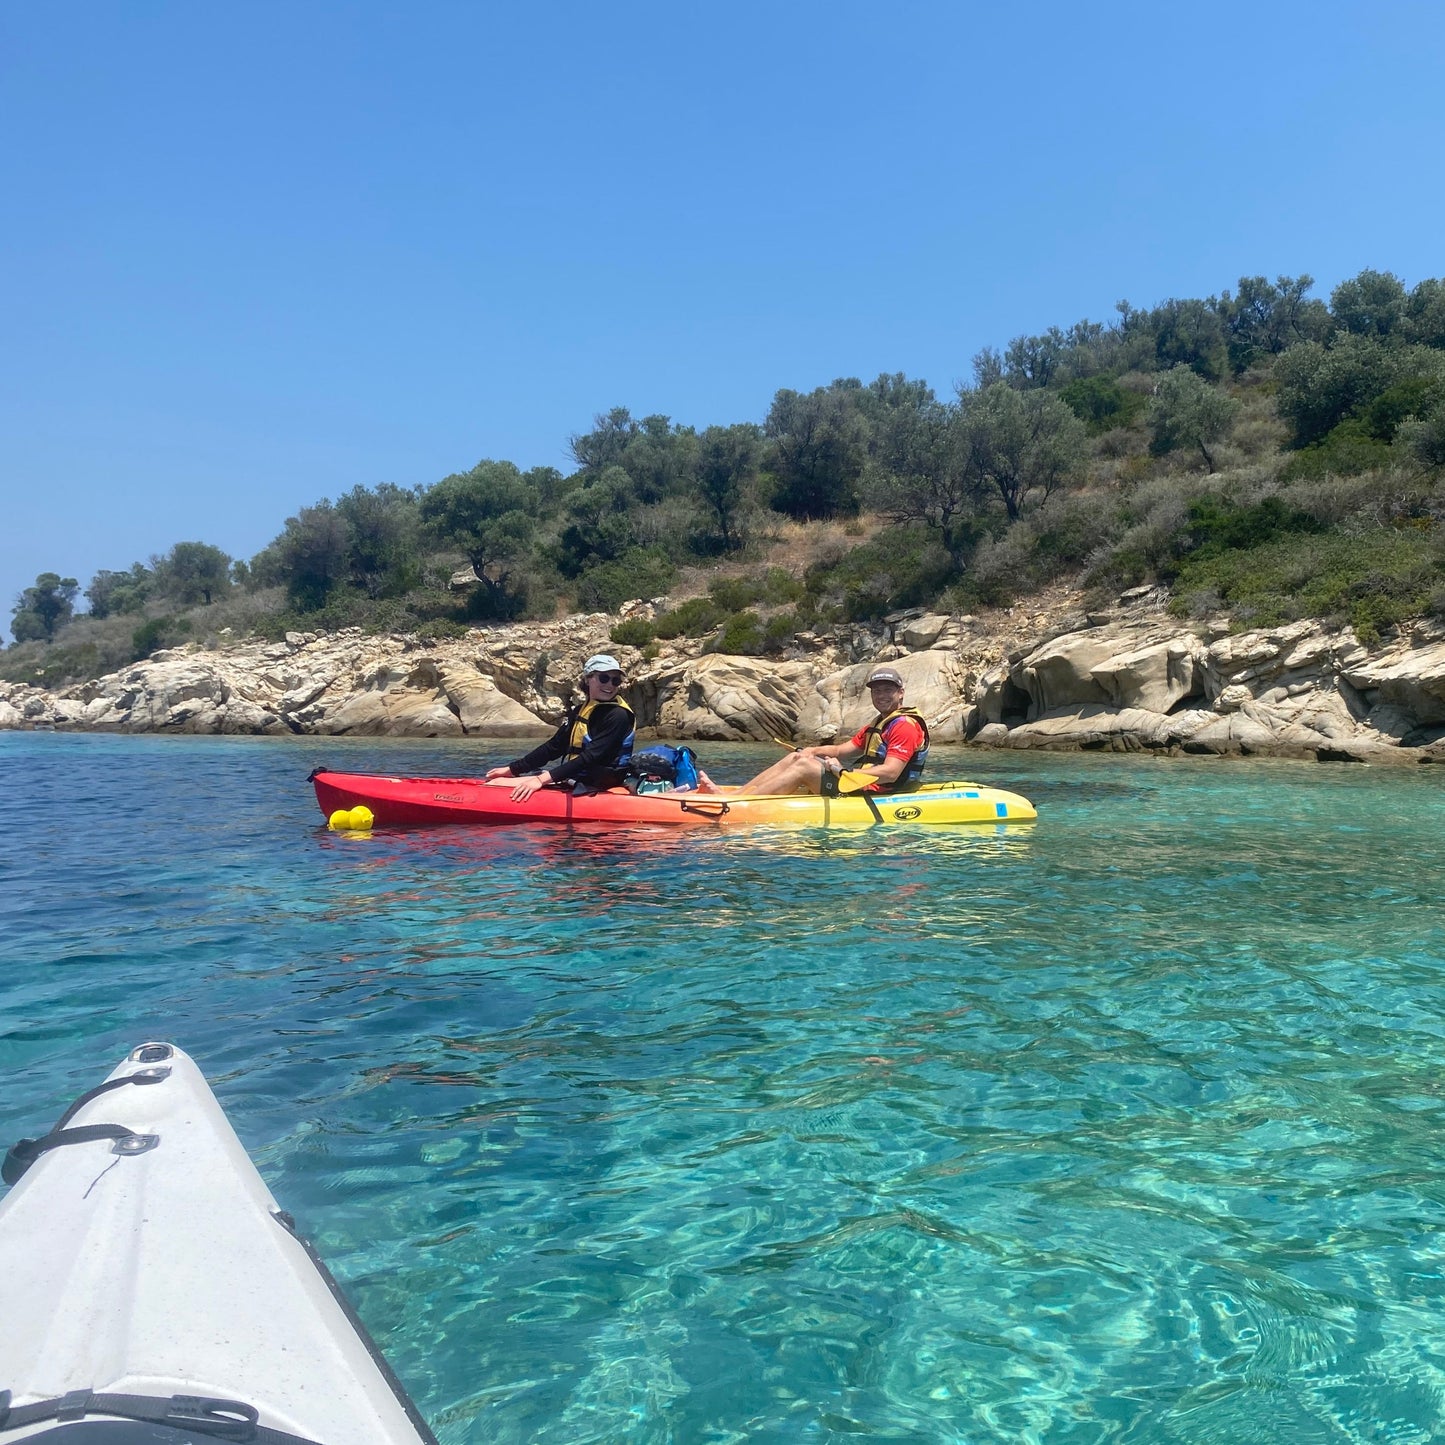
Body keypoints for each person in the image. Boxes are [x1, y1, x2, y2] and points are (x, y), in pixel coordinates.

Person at [738, 667, 929, 796]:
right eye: (876, 691)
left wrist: (844, 772)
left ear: (901, 692)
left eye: (888, 690)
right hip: (859, 783)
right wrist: (812, 751)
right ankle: (736, 795)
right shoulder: (880, 723)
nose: (881, 696)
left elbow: (891, 772)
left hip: (879, 793)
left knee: (804, 767)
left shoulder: (904, 725)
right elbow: (840, 751)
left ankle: (741, 804)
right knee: (799, 758)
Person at [484, 654, 636, 801]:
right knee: (497, 781)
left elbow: (591, 757)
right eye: (604, 678)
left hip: (599, 782)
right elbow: (554, 747)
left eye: (615, 681)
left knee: (496, 785)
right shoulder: (580, 711)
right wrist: (513, 769)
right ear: (588, 679)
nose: (610, 685)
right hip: (581, 776)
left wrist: (541, 780)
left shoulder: (618, 715)